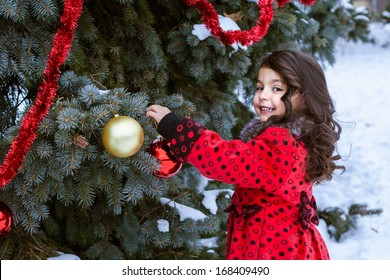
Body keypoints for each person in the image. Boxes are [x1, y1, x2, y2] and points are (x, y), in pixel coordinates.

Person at [146, 49, 344, 260]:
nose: (263, 95)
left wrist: (178, 130)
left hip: (273, 251)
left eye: (276, 88)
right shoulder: (298, 137)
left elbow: (228, 161)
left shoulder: (282, 144)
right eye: (260, 87)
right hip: (283, 246)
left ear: (304, 96)